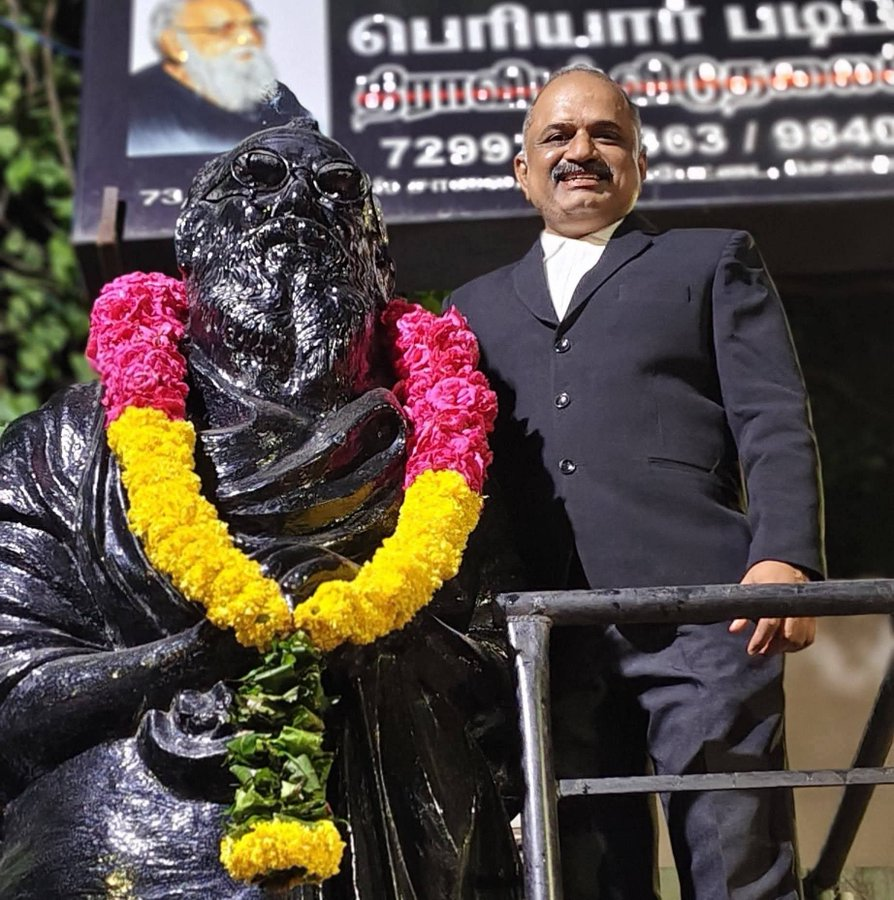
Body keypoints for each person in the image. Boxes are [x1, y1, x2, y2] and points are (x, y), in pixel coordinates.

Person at [0, 118, 521, 898]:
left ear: (380, 263)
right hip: (123, 845)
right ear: (191, 242)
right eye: (260, 179)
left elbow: (495, 673)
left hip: (389, 836)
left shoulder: (445, 457)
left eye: (335, 191)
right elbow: (14, 695)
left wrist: (365, 637)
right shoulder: (61, 447)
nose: (298, 200)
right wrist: (197, 654)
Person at [449, 65, 825, 900]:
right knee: (583, 870)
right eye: (558, 136)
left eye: (605, 135)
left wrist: (786, 559)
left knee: (736, 860)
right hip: (548, 635)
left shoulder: (709, 261)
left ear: (639, 164)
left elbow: (771, 417)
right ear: (522, 171)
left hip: (709, 616)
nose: (581, 151)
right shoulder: (469, 309)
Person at [127, 0, 308, 156]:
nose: (249, 37)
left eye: (253, 26)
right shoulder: (134, 110)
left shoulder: (276, 96)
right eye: (225, 28)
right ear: (173, 43)